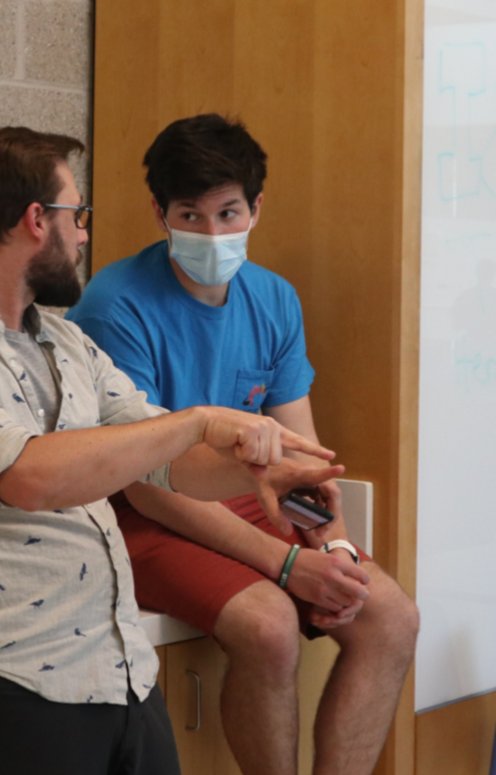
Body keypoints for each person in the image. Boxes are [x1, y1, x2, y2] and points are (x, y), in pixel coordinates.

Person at [0, 124, 353, 775]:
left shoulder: (67, 344)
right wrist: (200, 421)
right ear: (37, 220)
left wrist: (257, 470)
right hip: (11, 679)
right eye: (78, 215)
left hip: (120, 672)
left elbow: (166, 460)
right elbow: (27, 475)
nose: (84, 235)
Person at [67, 114, 419, 775]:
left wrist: (336, 551)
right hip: (141, 514)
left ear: (256, 208)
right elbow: (145, 483)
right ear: (160, 213)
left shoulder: (274, 299)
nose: (212, 234)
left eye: (228, 213)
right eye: (190, 216)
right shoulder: (115, 306)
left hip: (253, 498)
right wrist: (287, 568)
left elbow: (304, 456)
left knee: (391, 618)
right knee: (269, 625)